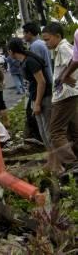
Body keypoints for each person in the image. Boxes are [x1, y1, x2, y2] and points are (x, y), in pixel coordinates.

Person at [41, 23, 78, 173]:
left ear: (57, 36)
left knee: (55, 131)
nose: (46, 42)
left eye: (47, 39)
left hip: (65, 95)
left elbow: (75, 61)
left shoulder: (63, 48)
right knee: (74, 130)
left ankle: (72, 164)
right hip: (68, 93)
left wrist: (66, 76)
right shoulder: (59, 48)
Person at [8, 37, 52, 150]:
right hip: (35, 97)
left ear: (11, 51)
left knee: (48, 131)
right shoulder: (23, 62)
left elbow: (41, 82)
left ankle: (59, 160)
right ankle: (53, 158)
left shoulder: (30, 61)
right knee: (42, 131)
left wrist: (37, 103)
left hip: (43, 98)